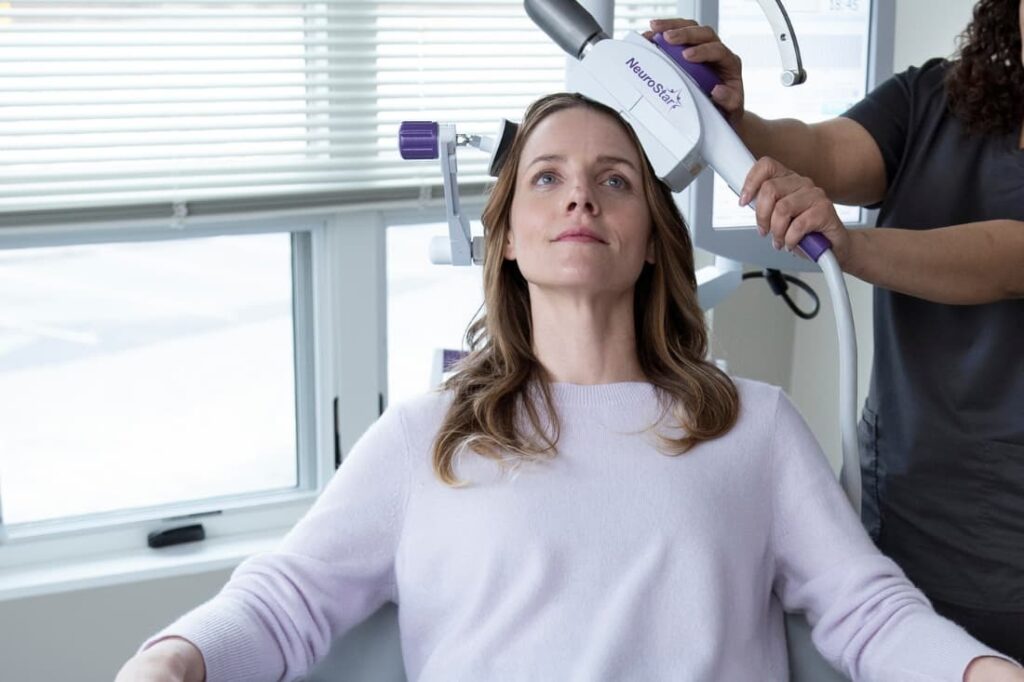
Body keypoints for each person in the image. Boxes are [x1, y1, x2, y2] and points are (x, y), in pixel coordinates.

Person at [116, 93, 1020, 682]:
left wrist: (983, 674)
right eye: (547, 179)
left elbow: (871, 613)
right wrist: (172, 661)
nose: (580, 198)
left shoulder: (753, 427)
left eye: (614, 181)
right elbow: (283, 603)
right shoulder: (424, 440)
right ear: (505, 236)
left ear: (655, 238)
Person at [649, 0, 1024, 662]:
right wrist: (732, 121)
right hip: (898, 530)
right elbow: (820, 150)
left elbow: (1004, 261)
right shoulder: (937, 99)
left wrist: (850, 248)